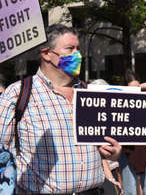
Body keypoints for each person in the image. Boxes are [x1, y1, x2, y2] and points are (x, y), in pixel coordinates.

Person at [0, 24, 121, 194]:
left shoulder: (90, 93)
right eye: (70, 49)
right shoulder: (17, 93)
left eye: (78, 49)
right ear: (47, 54)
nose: (77, 55)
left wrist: (112, 152)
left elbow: (103, 146)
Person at [120, 69, 146, 195]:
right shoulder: (119, 101)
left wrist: (138, 88)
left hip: (145, 146)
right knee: (129, 189)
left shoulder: (144, 98)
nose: (135, 91)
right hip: (126, 148)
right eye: (132, 88)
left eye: (137, 88)